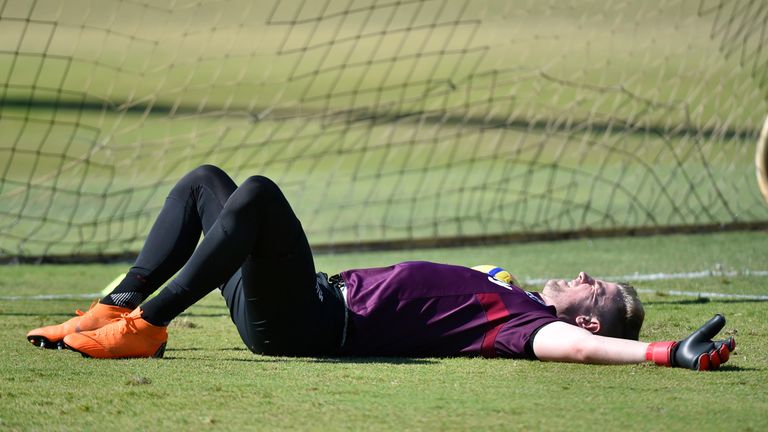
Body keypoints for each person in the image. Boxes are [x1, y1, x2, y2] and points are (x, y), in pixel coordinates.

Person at [26, 165, 735, 370]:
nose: (586, 277)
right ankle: (111, 307)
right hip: (298, 301)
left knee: (262, 196)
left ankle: (146, 325)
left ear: (588, 312)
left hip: (309, 323)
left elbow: (575, 346)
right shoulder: (507, 287)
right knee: (206, 183)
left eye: (598, 289)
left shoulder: (526, 324)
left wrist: (665, 352)